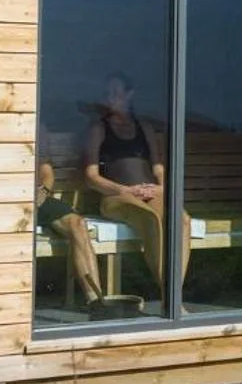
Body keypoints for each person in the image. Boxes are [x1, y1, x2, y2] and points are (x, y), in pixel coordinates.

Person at [83, 70, 187, 300]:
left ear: (130, 95)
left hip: (149, 191)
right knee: (150, 218)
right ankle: (169, 298)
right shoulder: (99, 128)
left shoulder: (144, 127)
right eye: (107, 93)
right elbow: (91, 176)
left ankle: (174, 295)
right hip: (117, 196)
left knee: (182, 220)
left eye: (116, 92)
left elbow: (157, 164)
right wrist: (123, 190)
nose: (110, 97)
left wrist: (162, 187)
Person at [34, 157, 138, 318]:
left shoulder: (35, 136)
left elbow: (46, 172)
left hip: (35, 198)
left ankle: (96, 302)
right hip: (3, 200)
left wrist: (42, 192)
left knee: (78, 224)